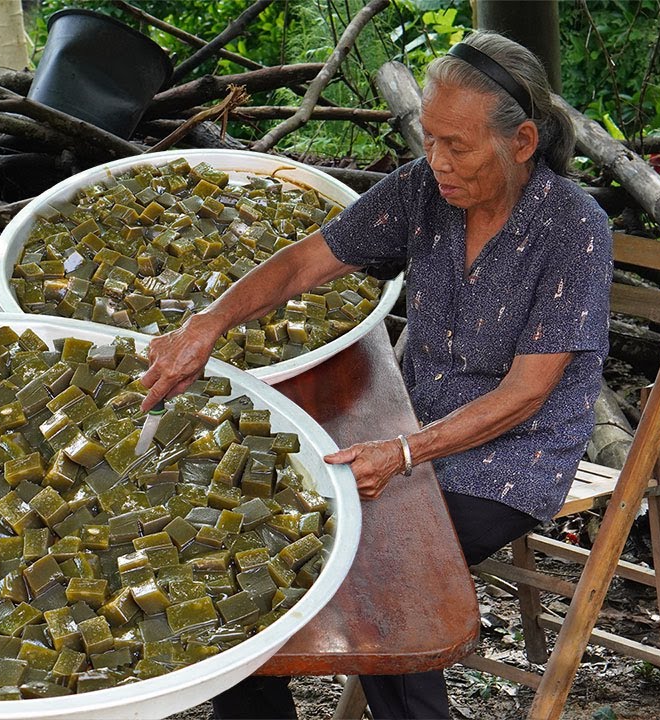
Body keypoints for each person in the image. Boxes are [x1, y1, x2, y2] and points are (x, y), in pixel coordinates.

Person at [139, 31, 613, 720]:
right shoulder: (425, 191)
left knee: (384, 571)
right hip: (410, 422)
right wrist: (209, 323)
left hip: (513, 456)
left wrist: (403, 453)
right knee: (243, 537)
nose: (437, 160)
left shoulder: (573, 227)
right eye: (430, 138)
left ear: (522, 142)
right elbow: (306, 262)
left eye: (457, 145)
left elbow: (525, 395)